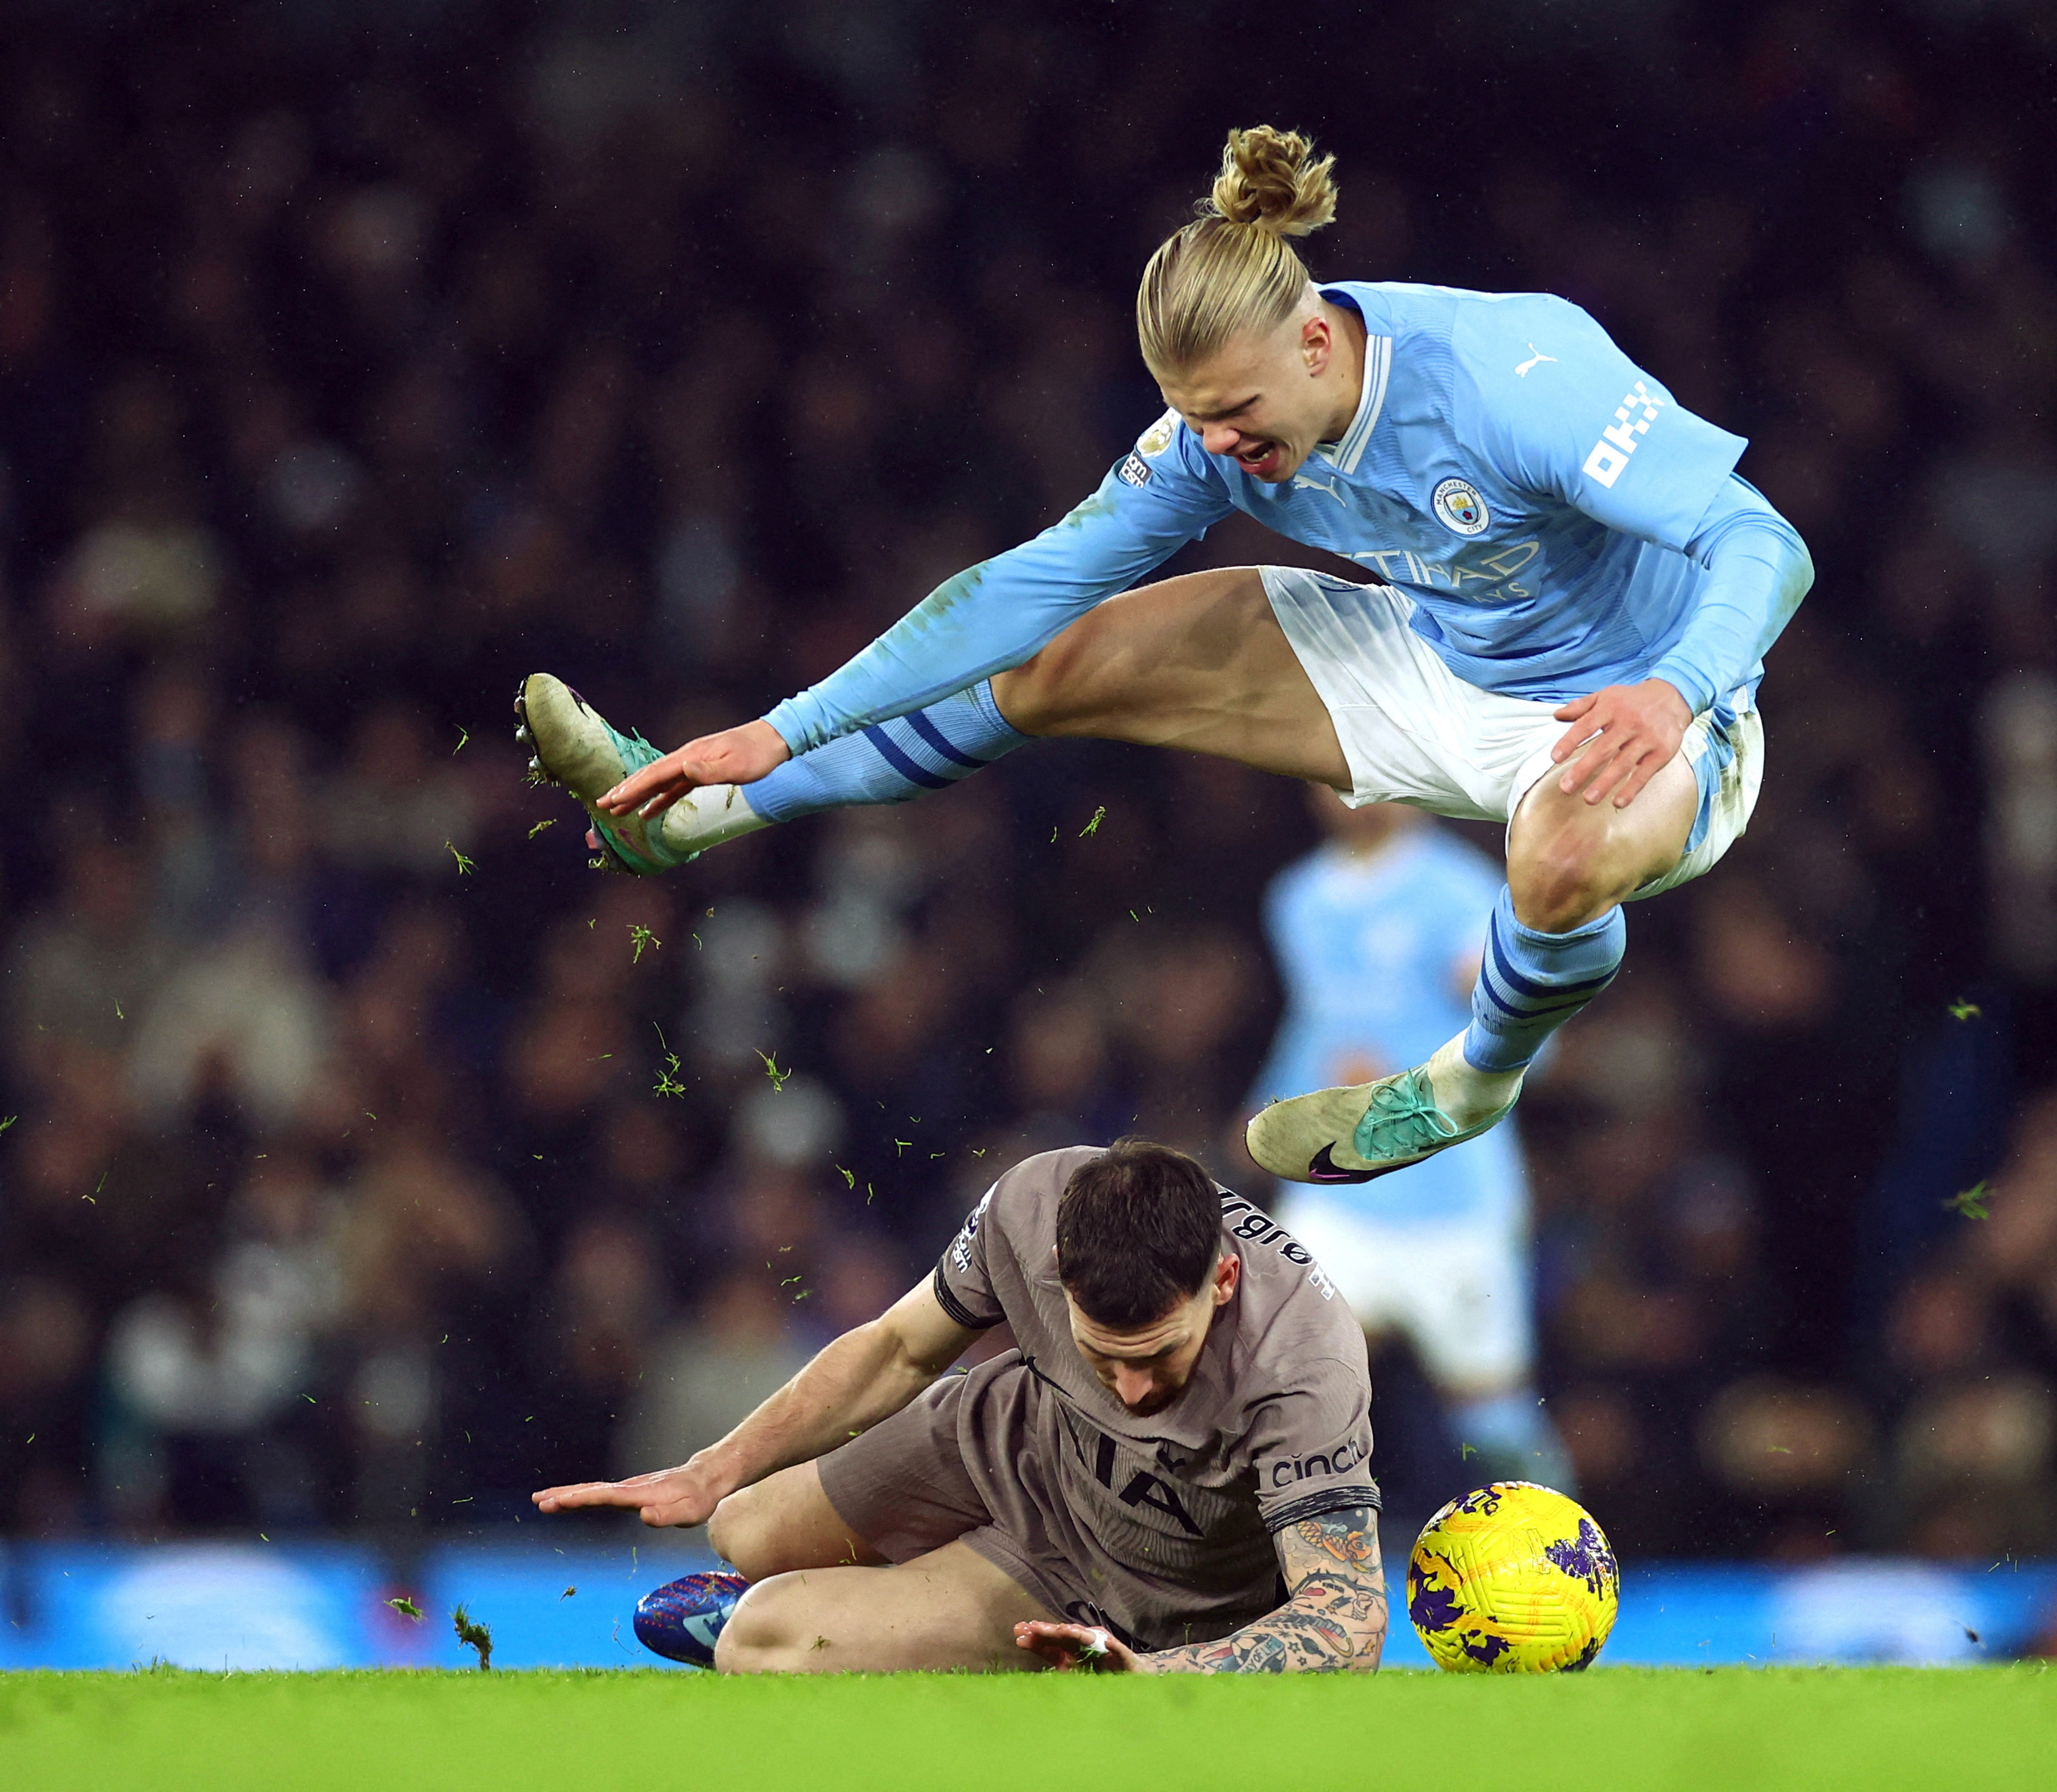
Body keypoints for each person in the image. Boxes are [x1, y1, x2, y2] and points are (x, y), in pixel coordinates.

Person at [517, 125, 1809, 1183]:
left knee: (1561, 852)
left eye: (1241, 418)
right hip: (1434, 656)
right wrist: (780, 726)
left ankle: (1466, 1083)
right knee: (1059, 663)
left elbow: (1762, 541)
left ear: (1316, 341)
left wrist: (1674, 688)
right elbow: (1018, 588)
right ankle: (694, 816)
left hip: (1646, 699)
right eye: (1198, 423)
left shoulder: (1515, 370)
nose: (1224, 450)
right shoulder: (1215, 427)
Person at [531, 1140, 1385, 1674]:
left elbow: (1347, 1613)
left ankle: (928, 1615)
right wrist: (712, 1467)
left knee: (763, 1640)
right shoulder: (1030, 1202)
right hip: (1003, 1440)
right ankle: (876, 1593)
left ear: (1224, 1279)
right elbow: (900, 1347)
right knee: (741, 1525)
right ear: (1058, 1265)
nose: (1130, 1391)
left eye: (1158, 1355)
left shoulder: (1304, 1365)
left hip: (1119, 1589)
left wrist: (1162, 1675)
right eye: (1104, 1355)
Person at [1252, 787, 1569, 1487]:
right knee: (1277, 1378)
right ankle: (1280, 1572)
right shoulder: (1297, 900)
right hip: (1338, 1193)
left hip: (1450, 1196)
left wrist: (1489, 1003)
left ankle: (1571, 1556)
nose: (1347, 794)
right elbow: (1316, 1021)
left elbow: (1535, 1050)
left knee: (1492, 1419)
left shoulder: (1462, 893)